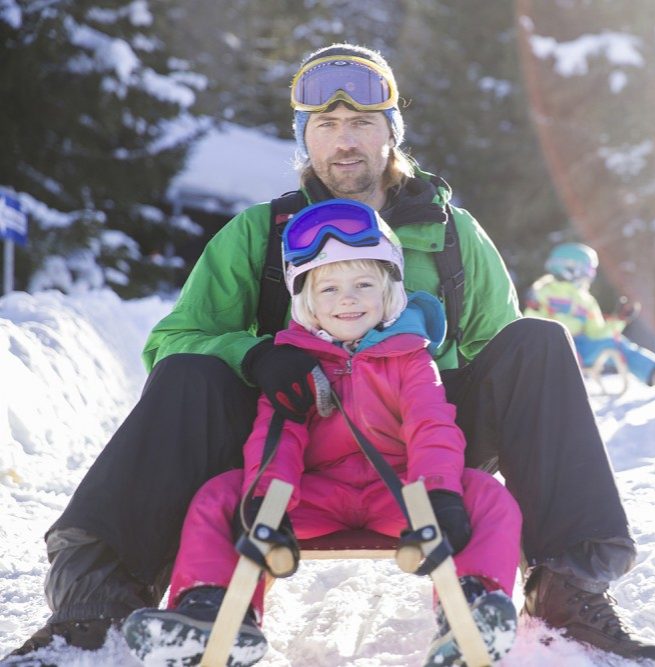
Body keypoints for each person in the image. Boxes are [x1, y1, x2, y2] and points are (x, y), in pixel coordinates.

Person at [6, 43, 655, 664]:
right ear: (304, 137)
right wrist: (255, 354)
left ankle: (568, 587)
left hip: (419, 434)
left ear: (390, 131)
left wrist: (424, 396)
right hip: (291, 439)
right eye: (324, 123)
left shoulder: (451, 236)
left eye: (361, 121)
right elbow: (171, 341)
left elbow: (502, 352)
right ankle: (95, 604)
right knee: (189, 372)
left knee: (538, 341)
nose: (344, 139)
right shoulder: (259, 235)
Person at [120, 199, 522, 666]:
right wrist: (266, 500)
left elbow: (430, 424)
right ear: (306, 300)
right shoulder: (295, 363)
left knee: (485, 493)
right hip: (314, 496)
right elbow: (279, 434)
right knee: (219, 496)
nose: (347, 299)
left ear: (390, 291)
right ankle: (210, 611)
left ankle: (474, 607)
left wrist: (439, 494)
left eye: (363, 284)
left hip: (401, 495)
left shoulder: (410, 357)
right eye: (328, 287)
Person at [524, 242, 655, 391]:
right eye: (588, 269)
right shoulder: (544, 292)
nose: (591, 275)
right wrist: (534, 307)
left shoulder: (586, 300)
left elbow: (597, 332)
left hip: (582, 347)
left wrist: (620, 320)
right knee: (554, 346)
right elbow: (530, 325)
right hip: (551, 348)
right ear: (570, 268)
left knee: (615, 343)